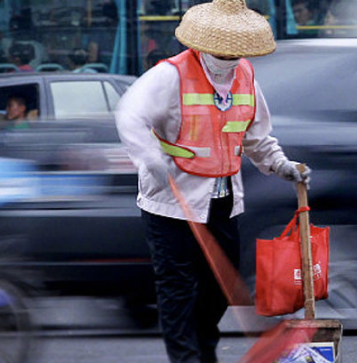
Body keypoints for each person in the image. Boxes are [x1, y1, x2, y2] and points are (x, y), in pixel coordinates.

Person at [115, 1, 311, 362]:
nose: (230, 56)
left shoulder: (246, 76)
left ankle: (204, 351)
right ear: (204, 44)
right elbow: (130, 115)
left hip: (222, 201)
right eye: (224, 49)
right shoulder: (170, 75)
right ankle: (188, 358)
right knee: (176, 290)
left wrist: (280, 164)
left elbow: (254, 134)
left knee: (218, 289)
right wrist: (149, 159)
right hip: (171, 203)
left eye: (237, 50)